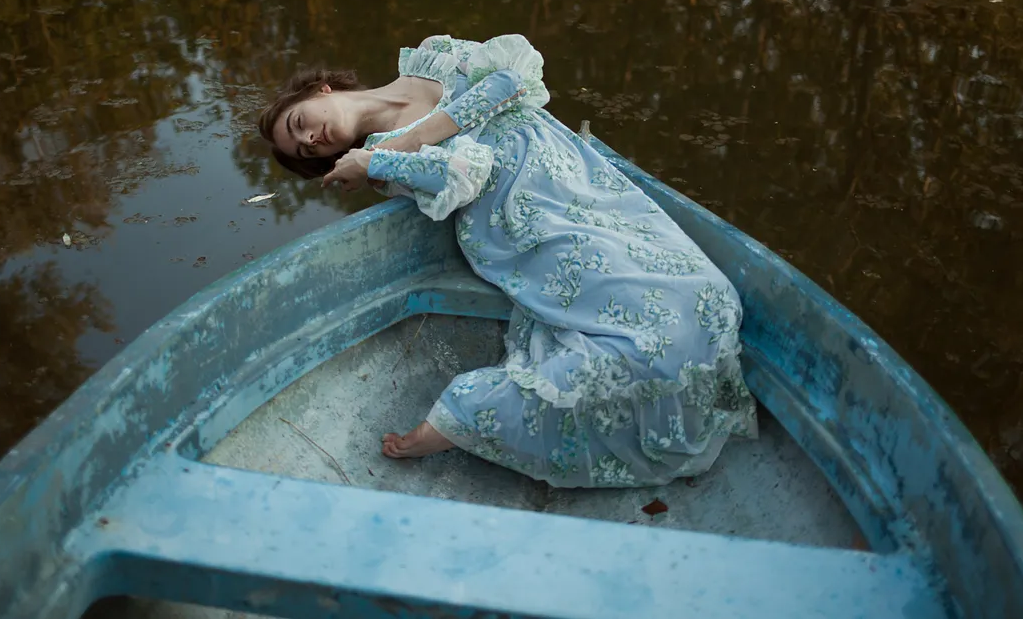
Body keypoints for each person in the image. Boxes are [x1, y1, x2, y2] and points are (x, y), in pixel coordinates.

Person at [258, 34, 757, 487]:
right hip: (526, 224)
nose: (310, 140)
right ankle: (469, 412)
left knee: (711, 299)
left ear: (320, 91)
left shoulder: (432, 57)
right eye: (306, 152)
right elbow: (464, 170)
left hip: (578, 183)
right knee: (657, 342)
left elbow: (515, 78)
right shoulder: (379, 163)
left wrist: (414, 137)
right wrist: (384, 156)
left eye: (299, 125)